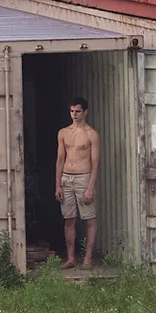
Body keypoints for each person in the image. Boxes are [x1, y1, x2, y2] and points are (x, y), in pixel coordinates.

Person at [54, 100, 102, 272]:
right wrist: (57, 184)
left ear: (85, 112)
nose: (74, 114)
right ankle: (71, 258)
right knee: (69, 219)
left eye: (78, 111)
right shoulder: (63, 133)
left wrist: (90, 187)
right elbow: (60, 159)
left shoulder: (91, 134)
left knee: (89, 218)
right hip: (67, 178)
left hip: (83, 178)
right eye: (72, 111)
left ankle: (88, 257)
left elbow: (95, 163)